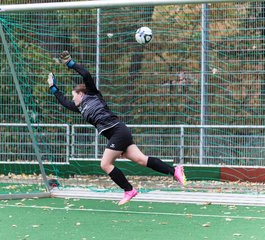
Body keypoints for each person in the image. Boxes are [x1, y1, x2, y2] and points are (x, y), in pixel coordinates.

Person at [47, 51, 187, 205]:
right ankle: (175, 171)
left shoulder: (92, 94)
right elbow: (64, 102)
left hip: (118, 131)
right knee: (142, 160)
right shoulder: (79, 108)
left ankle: (129, 190)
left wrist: (70, 64)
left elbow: (86, 74)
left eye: (74, 95)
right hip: (118, 134)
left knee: (105, 164)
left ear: (81, 93)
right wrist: (53, 88)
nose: (72, 98)